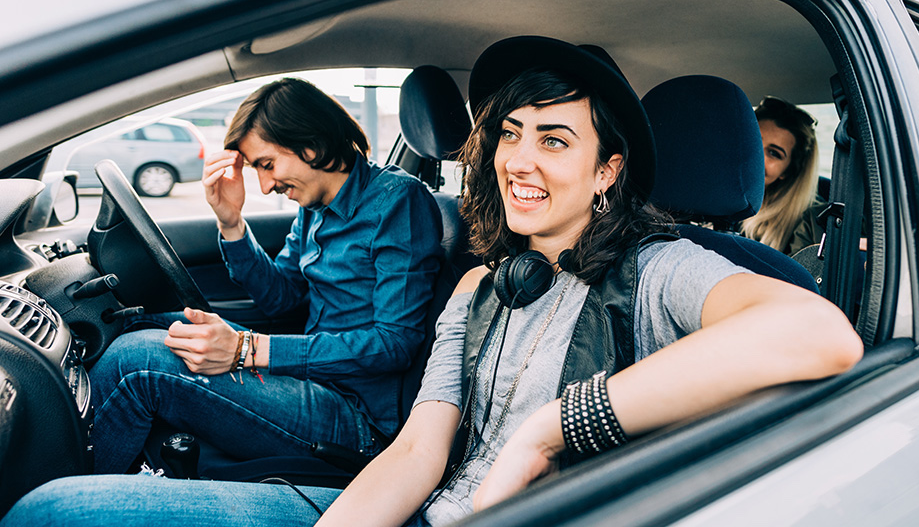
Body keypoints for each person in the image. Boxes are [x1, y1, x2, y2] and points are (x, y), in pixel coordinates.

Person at [2, 37, 863, 527]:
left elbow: (818, 334)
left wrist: (551, 429)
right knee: (57, 512)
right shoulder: (484, 285)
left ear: (608, 172)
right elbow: (417, 452)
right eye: (511, 133)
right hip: (411, 507)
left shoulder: (660, 271)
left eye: (555, 140)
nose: (520, 158)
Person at [87, 78, 444, 474]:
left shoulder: (397, 201)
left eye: (267, 165)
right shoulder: (315, 205)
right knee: (142, 322)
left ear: (311, 144)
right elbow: (283, 298)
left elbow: (394, 343)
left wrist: (248, 350)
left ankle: (64, 495)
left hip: (356, 417)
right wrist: (231, 221)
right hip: (309, 379)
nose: (266, 185)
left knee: (137, 362)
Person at [740, 96, 823, 255]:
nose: (757, 157)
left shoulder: (806, 228)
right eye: (753, 141)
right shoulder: (702, 204)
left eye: (774, 153)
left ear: (788, 171)